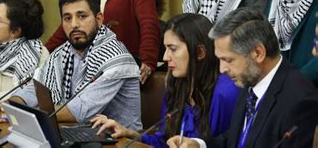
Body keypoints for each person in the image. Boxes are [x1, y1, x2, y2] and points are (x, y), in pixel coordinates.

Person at [167, 8, 318, 148]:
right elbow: (237, 140)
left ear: (258, 53)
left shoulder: (300, 101)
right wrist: (198, 145)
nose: (222, 69)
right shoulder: (251, 80)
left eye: (228, 60)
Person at [91, 13, 240, 148]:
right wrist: (130, 134)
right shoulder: (177, 85)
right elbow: (166, 140)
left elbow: (227, 144)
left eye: (173, 49)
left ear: (199, 52)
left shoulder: (225, 92)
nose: (165, 57)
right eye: (165, 48)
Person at [12, 0, 142, 130]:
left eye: (82, 16)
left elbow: (80, 111)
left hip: (120, 142)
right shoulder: (60, 54)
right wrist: (12, 104)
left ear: (99, 19)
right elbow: (36, 89)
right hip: (78, 135)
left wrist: (25, 112)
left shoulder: (116, 58)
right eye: (67, 18)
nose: (74, 24)